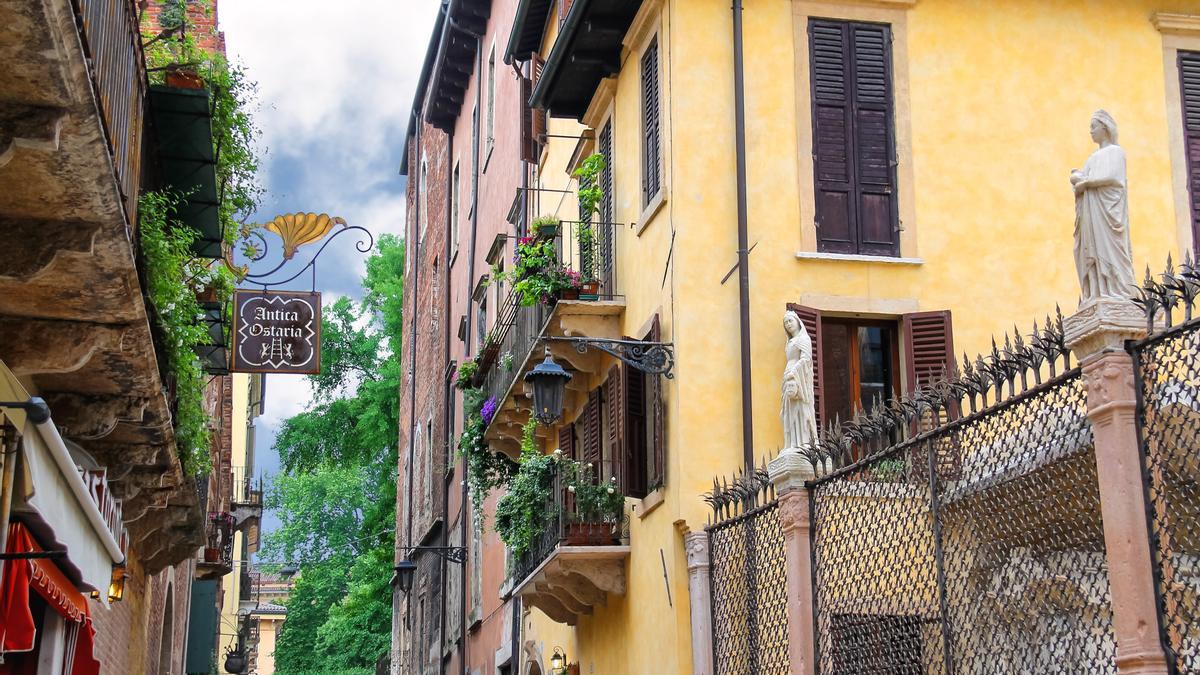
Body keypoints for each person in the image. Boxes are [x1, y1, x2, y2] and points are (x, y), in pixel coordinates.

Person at [1071, 110, 1135, 302]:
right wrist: (1078, 180)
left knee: (1112, 252)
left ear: (1105, 128)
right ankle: (1098, 291)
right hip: (1092, 214)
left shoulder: (1116, 152)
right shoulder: (1091, 158)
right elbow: (1083, 183)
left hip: (1108, 213)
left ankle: (1119, 290)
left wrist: (1087, 182)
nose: (1091, 131)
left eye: (1093, 127)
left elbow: (1114, 178)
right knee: (1090, 251)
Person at [781, 310, 818, 450]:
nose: (788, 324)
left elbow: (806, 359)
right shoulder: (789, 342)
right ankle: (791, 443)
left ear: (797, 321)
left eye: (790, 321)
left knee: (801, 408)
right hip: (788, 374)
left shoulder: (804, 339)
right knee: (787, 410)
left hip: (799, 375)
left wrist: (794, 372)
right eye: (786, 323)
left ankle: (803, 442)